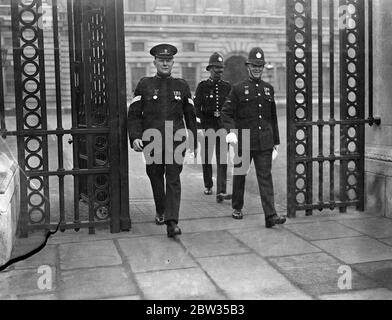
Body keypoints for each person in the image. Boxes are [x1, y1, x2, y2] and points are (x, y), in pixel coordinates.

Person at [128, 43, 197, 237]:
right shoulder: (144, 84)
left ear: (173, 62)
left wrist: (193, 141)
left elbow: (190, 115)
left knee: (173, 179)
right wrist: (135, 137)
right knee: (155, 176)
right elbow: (134, 114)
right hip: (152, 140)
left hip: (176, 141)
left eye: (168, 60)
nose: (165, 63)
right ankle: (161, 209)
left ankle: (172, 222)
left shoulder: (182, 86)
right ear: (155, 62)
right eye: (161, 60)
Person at [221, 47, 286, 228]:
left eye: (260, 66)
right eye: (254, 65)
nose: (257, 68)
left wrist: (276, 143)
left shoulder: (268, 89)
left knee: (265, 177)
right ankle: (237, 206)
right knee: (240, 174)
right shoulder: (238, 89)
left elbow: (272, 117)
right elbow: (226, 113)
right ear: (247, 66)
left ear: (263, 67)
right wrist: (231, 132)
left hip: (264, 141)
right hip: (244, 140)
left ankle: (270, 215)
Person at [194, 52, 232, 203]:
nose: (219, 71)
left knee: (222, 159)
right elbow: (196, 108)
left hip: (222, 127)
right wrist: (199, 127)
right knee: (207, 158)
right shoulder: (202, 87)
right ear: (210, 69)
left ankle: (221, 190)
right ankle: (208, 184)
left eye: (221, 68)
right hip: (207, 127)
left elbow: (230, 109)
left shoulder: (227, 87)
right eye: (216, 68)